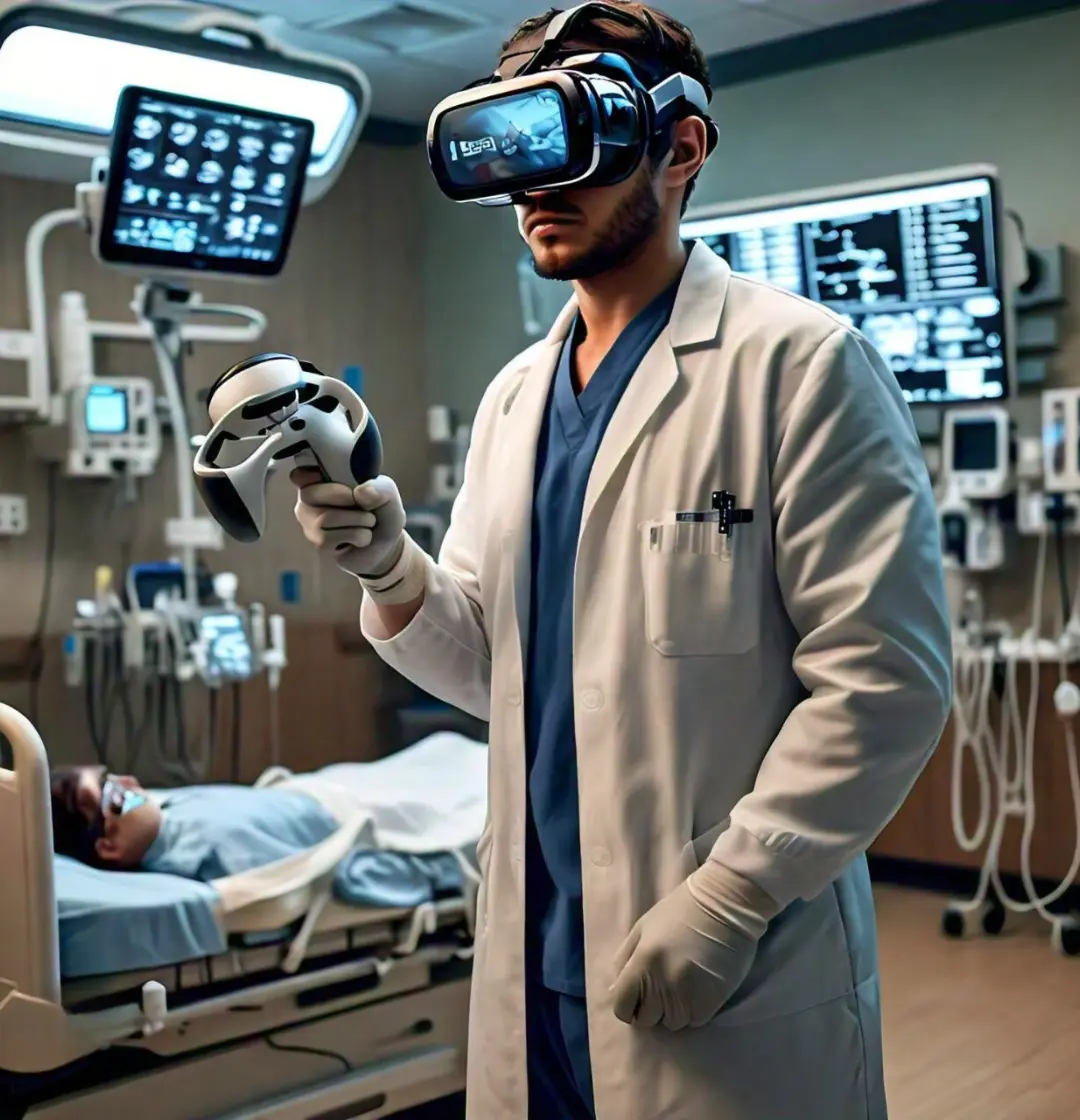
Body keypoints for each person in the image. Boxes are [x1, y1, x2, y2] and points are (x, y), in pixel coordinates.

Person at [291, 3, 953, 1117]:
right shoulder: (514, 400)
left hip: (722, 963)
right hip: (534, 963)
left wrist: (734, 898)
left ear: (681, 147)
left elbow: (885, 682)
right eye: (515, 150)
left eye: (575, 138)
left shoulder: (799, 366)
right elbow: (498, 670)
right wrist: (395, 572)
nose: (536, 188)